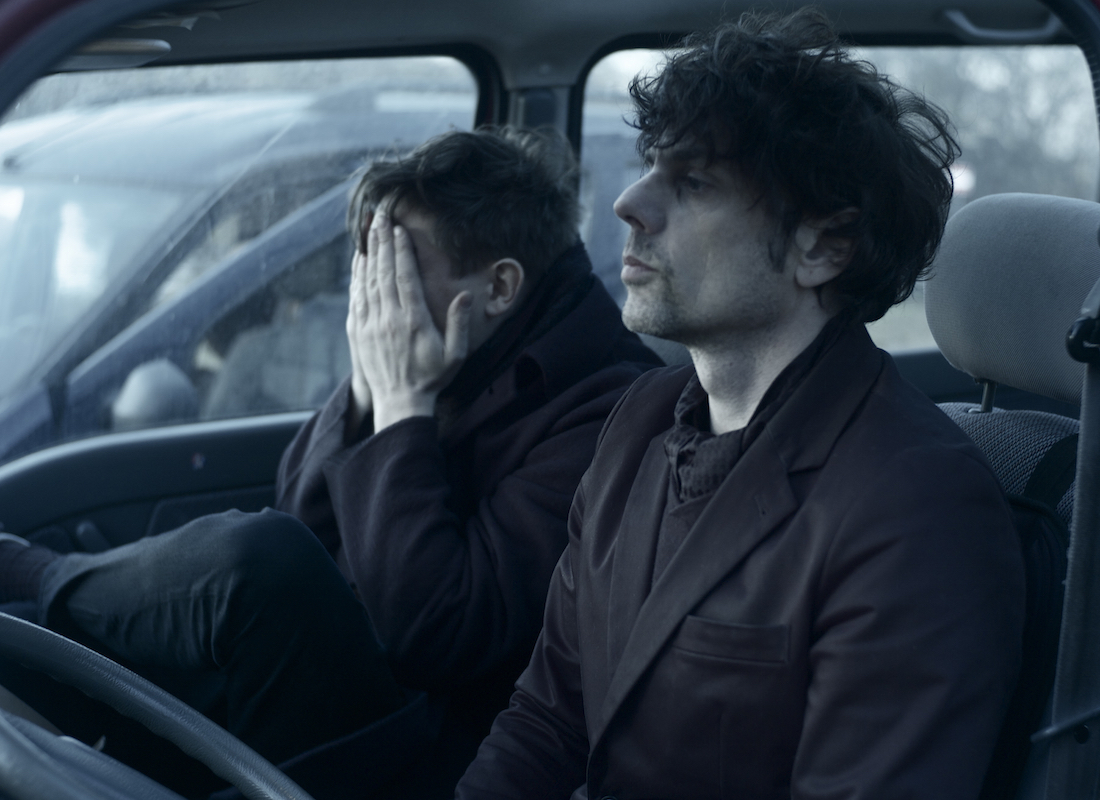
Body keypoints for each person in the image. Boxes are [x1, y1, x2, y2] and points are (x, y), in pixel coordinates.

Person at [456, 11, 1025, 800]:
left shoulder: (917, 507)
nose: (629, 203)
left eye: (694, 183)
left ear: (823, 246)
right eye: (650, 167)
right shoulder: (639, 421)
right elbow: (548, 719)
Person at [0, 126, 660, 796]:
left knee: (263, 561)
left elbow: (434, 633)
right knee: (29, 649)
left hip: (427, 744)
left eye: (397, 268)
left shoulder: (607, 412)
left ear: (498, 288)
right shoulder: (453, 355)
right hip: (341, 693)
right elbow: (303, 512)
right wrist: (369, 394)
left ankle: (41, 570)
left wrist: (402, 405)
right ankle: (40, 598)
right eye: (369, 263)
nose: (372, 295)